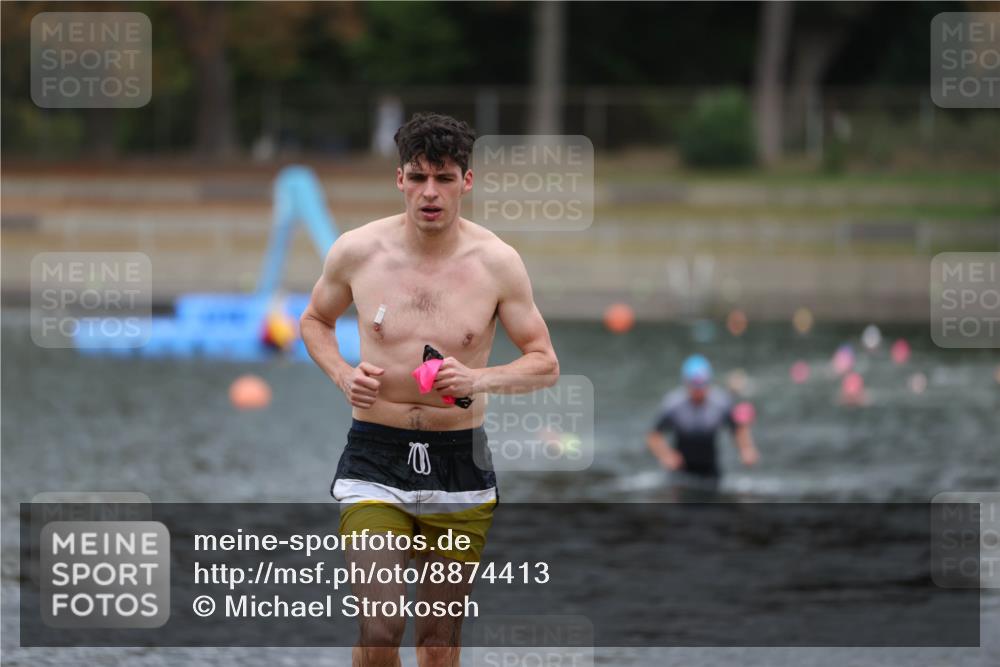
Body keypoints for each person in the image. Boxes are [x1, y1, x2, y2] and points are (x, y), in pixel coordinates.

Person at [301, 112, 559, 667]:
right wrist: (342, 373)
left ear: (467, 181)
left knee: (438, 642)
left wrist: (477, 379)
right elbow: (315, 321)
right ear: (400, 179)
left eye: (444, 178)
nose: (430, 192)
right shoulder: (357, 251)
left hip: (458, 462)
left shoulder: (498, 263)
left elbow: (545, 364)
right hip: (375, 457)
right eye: (418, 177)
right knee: (381, 627)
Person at [645, 355, 758, 492]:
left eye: (702, 385)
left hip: (710, 469)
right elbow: (654, 436)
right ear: (686, 383)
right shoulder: (673, 405)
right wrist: (666, 455)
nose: (698, 390)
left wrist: (746, 449)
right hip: (680, 471)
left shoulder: (721, 403)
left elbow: (737, 429)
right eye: (694, 386)